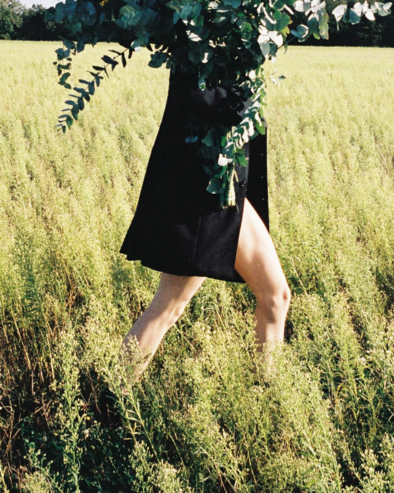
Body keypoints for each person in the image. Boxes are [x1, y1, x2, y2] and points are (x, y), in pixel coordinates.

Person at [120, 69, 291, 375]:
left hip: (216, 178)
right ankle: (112, 399)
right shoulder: (201, 35)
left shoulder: (223, 34)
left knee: (170, 306)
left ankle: (111, 396)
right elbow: (196, 101)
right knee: (273, 297)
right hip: (209, 181)